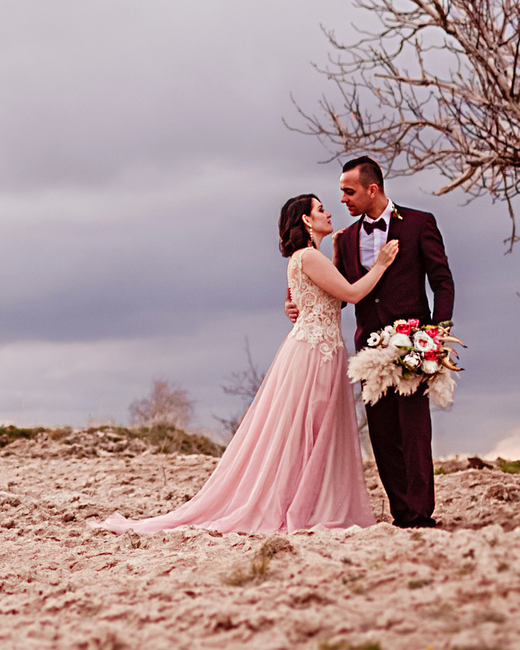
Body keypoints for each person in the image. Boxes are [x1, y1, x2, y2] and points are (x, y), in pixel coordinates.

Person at [99, 193, 397, 535]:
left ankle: (308, 501)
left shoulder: (309, 259)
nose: (328, 212)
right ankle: (301, 504)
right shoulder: (309, 257)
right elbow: (353, 293)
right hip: (316, 353)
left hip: (319, 348)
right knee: (305, 429)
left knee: (311, 431)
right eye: (320, 209)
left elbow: (314, 301)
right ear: (305, 220)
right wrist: (382, 264)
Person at [333, 155, 456, 528]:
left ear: (373, 189)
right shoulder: (347, 238)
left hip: (413, 345)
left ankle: (421, 514)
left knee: (414, 432)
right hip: (369, 349)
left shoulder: (420, 223)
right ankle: (402, 512)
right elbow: (342, 292)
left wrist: (437, 332)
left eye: (348, 191)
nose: (343, 199)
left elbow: (442, 281)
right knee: (383, 435)